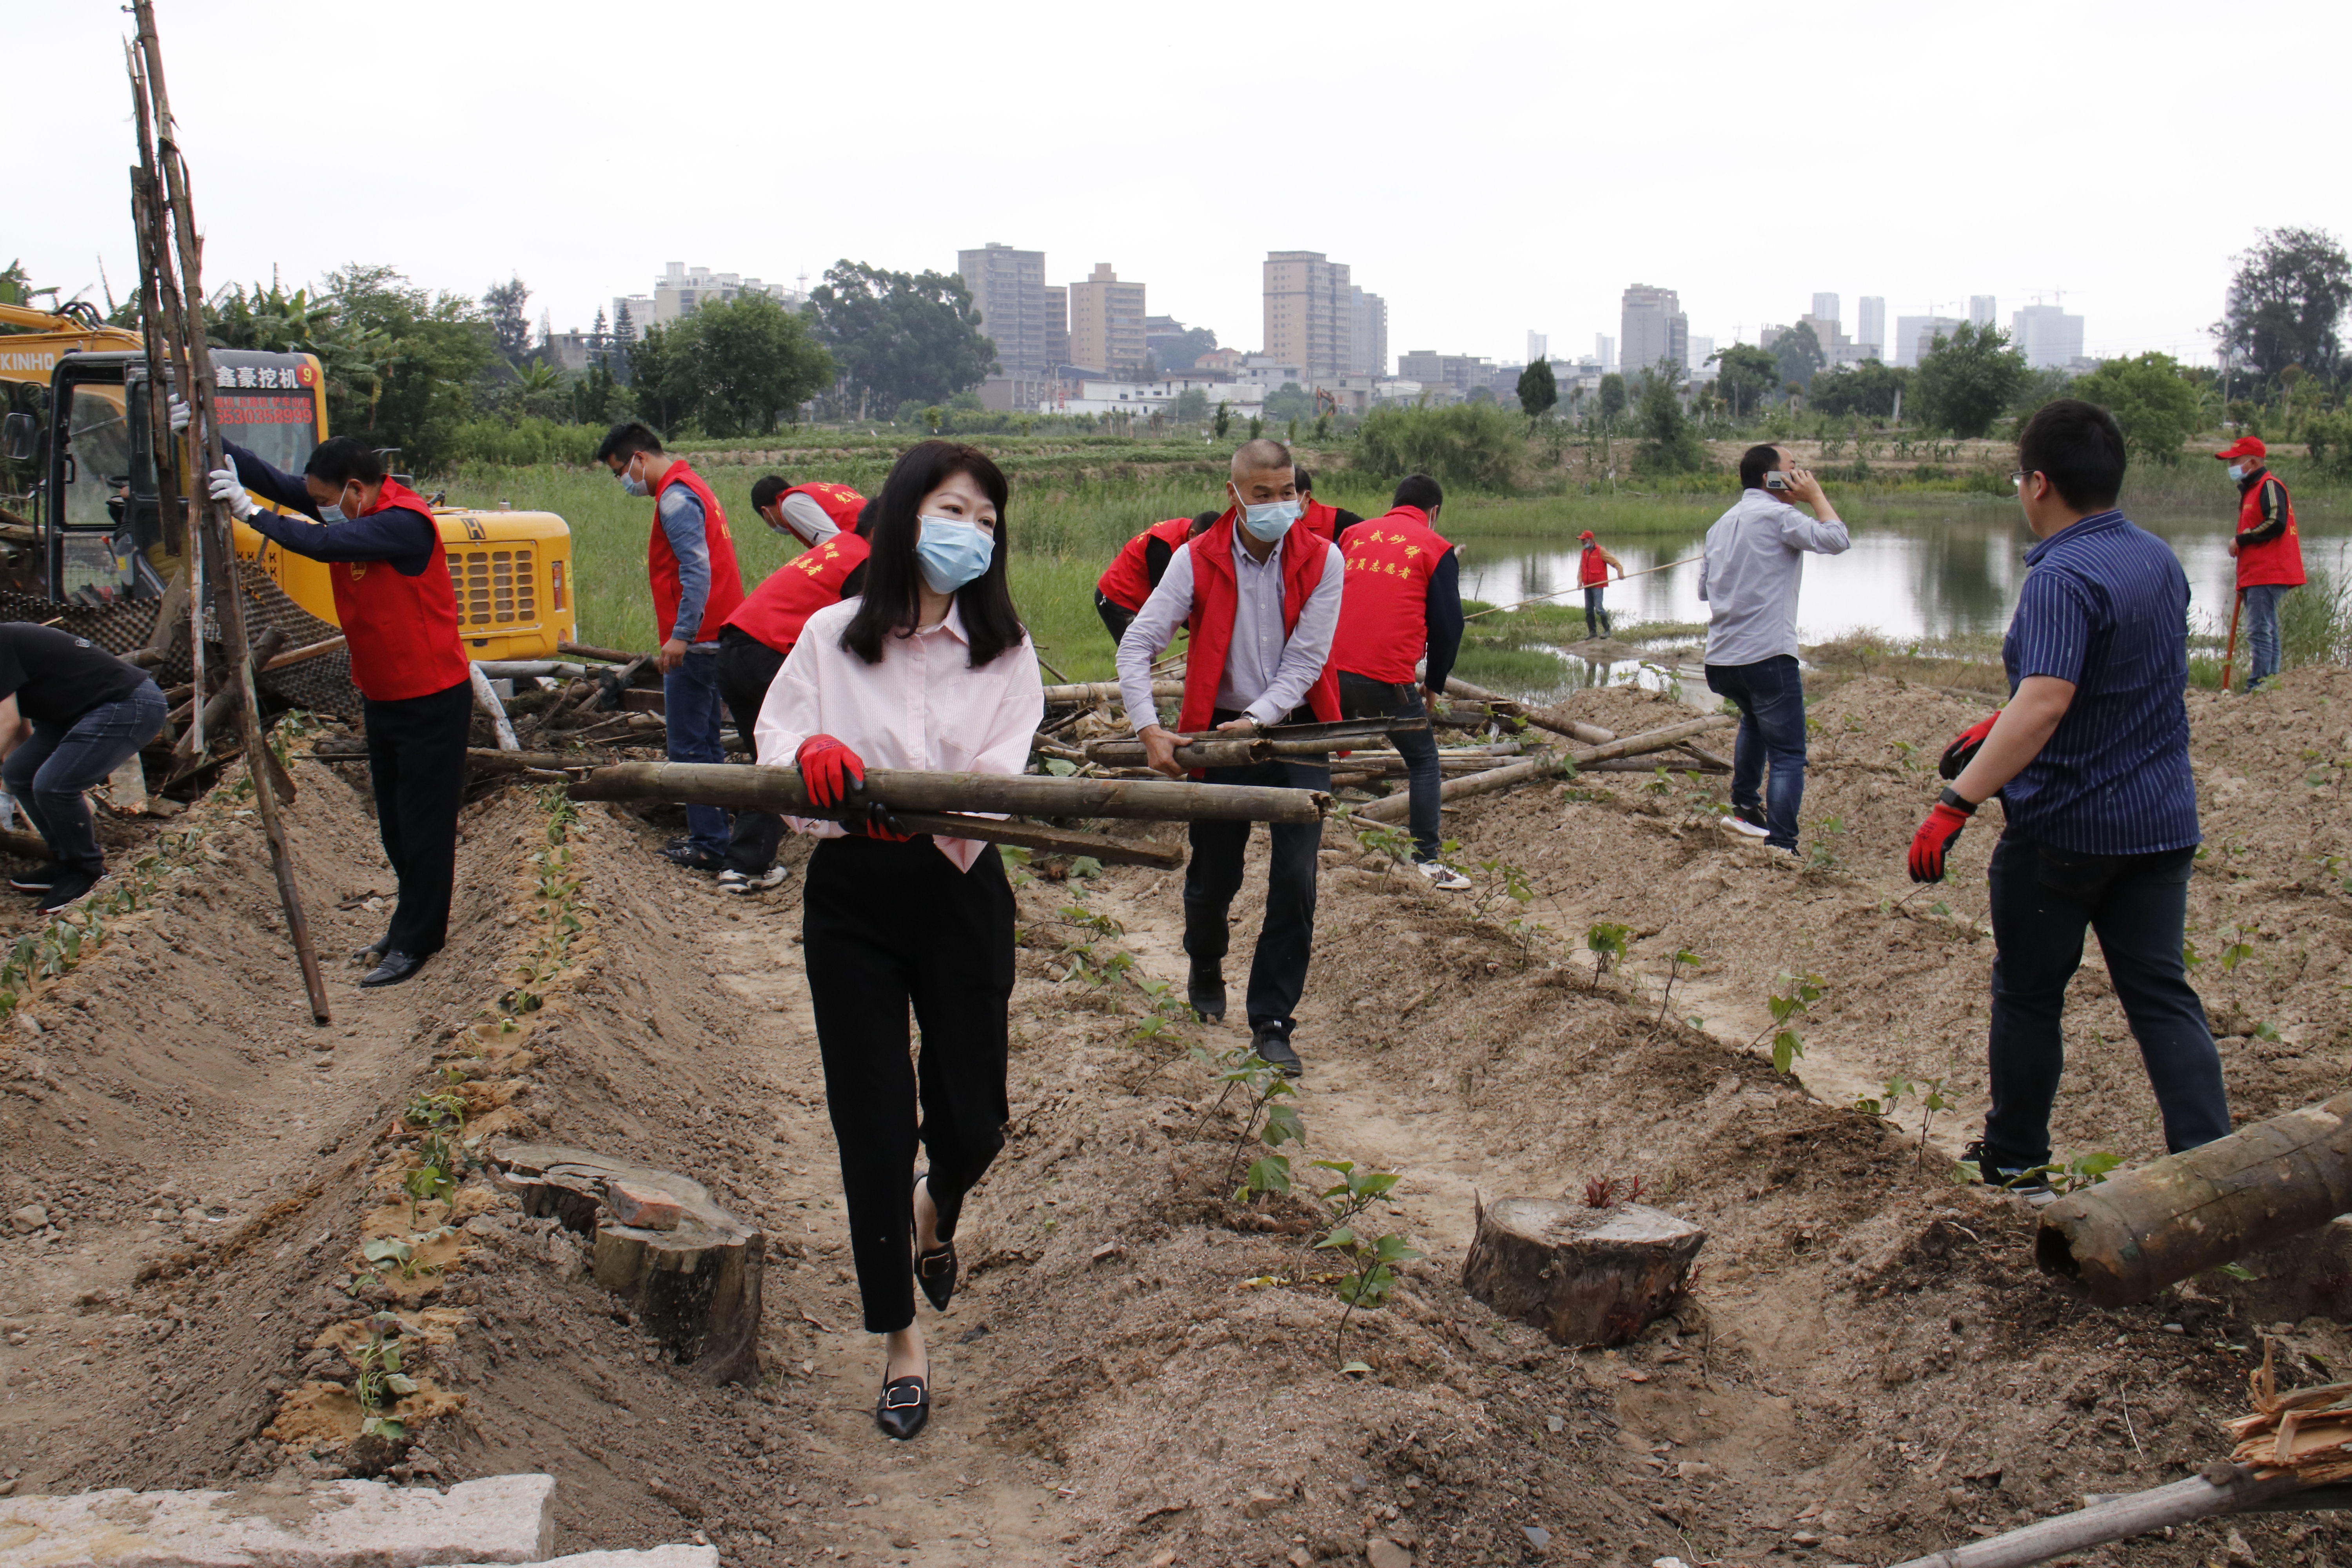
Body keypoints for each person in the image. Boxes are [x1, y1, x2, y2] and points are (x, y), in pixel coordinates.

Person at [754, 440, 1042, 1443]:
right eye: (953, 509)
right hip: (855, 898)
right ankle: (900, 1340)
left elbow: (999, 777)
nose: (969, 533)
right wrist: (813, 757)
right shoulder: (833, 636)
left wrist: (927, 808)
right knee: (872, 1123)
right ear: (907, 513)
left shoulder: (1005, 650)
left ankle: (939, 1205)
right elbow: (776, 738)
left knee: (973, 1122)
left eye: (987, 522)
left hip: (959, 887)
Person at [1909, 399, 2227, 1200]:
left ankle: (2016, 1162)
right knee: (2161, 994)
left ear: (2040, 483)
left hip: (2066, 832)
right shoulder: (2158, 559)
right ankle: (2218, 1168)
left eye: (2021, 476)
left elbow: (2049, 700)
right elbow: (2117, 674)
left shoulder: (2060, 573)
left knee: (2028, 993)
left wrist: (1959, 800)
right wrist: (2001, 718)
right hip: (2160, 823)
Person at [208, 435, 470, 987]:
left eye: (326, 500)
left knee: (423, 827)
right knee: (396, 827)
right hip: (383, 693)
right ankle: (406, 925)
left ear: (355, 489)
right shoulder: (352, 507)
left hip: (429, 696)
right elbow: (278, 483)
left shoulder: (403, 523)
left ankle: (419, 940)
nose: (319, 507)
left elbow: (324, 545)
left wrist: (251, 514)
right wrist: (207, 435)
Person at [1116, 439, 1342, 1075]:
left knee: (1296, 879)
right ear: (1235, 494)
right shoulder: (1195, 560)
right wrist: (1148, 729)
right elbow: (1136, 648)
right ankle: (1205, 955)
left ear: (1300, 492)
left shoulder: (1325, 560)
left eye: (1287, 492)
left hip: (1297, 731)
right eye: (1263, 494)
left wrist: (1258, 720)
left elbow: (1305, 662)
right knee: (1215, 873)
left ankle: (1272, 1019)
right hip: (1216, 733)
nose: (1277, 505)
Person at [597, 421, 745, 871]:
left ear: (639, 459)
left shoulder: (676, 499)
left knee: (686, 747)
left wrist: (680, 636)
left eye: (620, 470)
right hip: (717, 633)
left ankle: (708, 842)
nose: (623, 480)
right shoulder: (692, 484)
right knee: (707, 743)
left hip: (698, 642)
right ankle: (718, 832)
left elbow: (695, 572)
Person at [715, 475, 870, 893]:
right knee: (795, 750)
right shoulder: (864, 562)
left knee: (771, 757)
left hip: (734, 645)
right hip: (767, 652)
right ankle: (744, 865)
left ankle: (747, 863)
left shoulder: (838, 550)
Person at [1698, 445, 1851, 853]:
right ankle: (1783, 844)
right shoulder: (1780, 516)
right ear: (1772, 480)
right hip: (1766, 654)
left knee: (1753, 720)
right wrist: (1815, 496)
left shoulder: (1720, 526)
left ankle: (1746, 807)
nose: (1800, 475)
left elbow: (1702, 590)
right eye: (1793, 470)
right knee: (1788, 754)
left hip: (1722, 660)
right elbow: (1837, 539)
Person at [1328, 472, 1469, 890]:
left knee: (1320, 745)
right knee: (1424, 761)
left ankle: (1316, 823)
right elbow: (1450, 628)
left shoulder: (1353, 535)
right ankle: (1426, 858)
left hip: (1330, 671)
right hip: (1385, 678)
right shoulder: (1436, 547)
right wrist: (1434, 686)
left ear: (1395, 503)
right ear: (1434, 512)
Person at [0, 625, 169, 911]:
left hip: (126, 703)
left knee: (54, 785)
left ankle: (87, 871)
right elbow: (20, 726)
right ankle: (66, 860)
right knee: (20, 772)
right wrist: (22, 779)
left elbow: (7, 722)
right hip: (77, 713)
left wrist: (50, 782)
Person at [2213, 436, 2304, 693]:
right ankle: (2269, 681)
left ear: (2252, 462)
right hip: (2256, 573)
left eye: (2235, 460)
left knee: (2259, 629)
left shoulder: (2268, 485)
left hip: (2268, 571)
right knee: (2268, 627)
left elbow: (2276, 522)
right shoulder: (2252, 490)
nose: (2231, 465)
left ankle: (2260, 684)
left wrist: (2240, 539)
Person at [1094, 511, 1218, 643]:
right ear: (1192, 535)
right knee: (1140, 652)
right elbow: (1168, 600)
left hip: (1136, 595)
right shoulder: (1163, 545)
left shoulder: (1199, 534)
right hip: (1117, 596)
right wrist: (1200, 629)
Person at [1294, 465, 1365, 544]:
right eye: (1277, 494)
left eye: (1288, 494)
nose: (1281, 502)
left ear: (1307, 497)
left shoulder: (1336, 520)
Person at [1576, 529, 1624, 640]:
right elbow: (1581, 568)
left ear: (1590, 539)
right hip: (1587, 585)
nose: (1582, 542)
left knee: (1599, 608)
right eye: (1582, 540)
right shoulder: (1584, 553)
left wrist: (1620, 572)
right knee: (1588, 610)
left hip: (1598, 585)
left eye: (1584, 540)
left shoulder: (1601, 551)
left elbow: (1615, 562)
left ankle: (1607, 631)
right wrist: (1580, 581)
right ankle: (1592, 632)